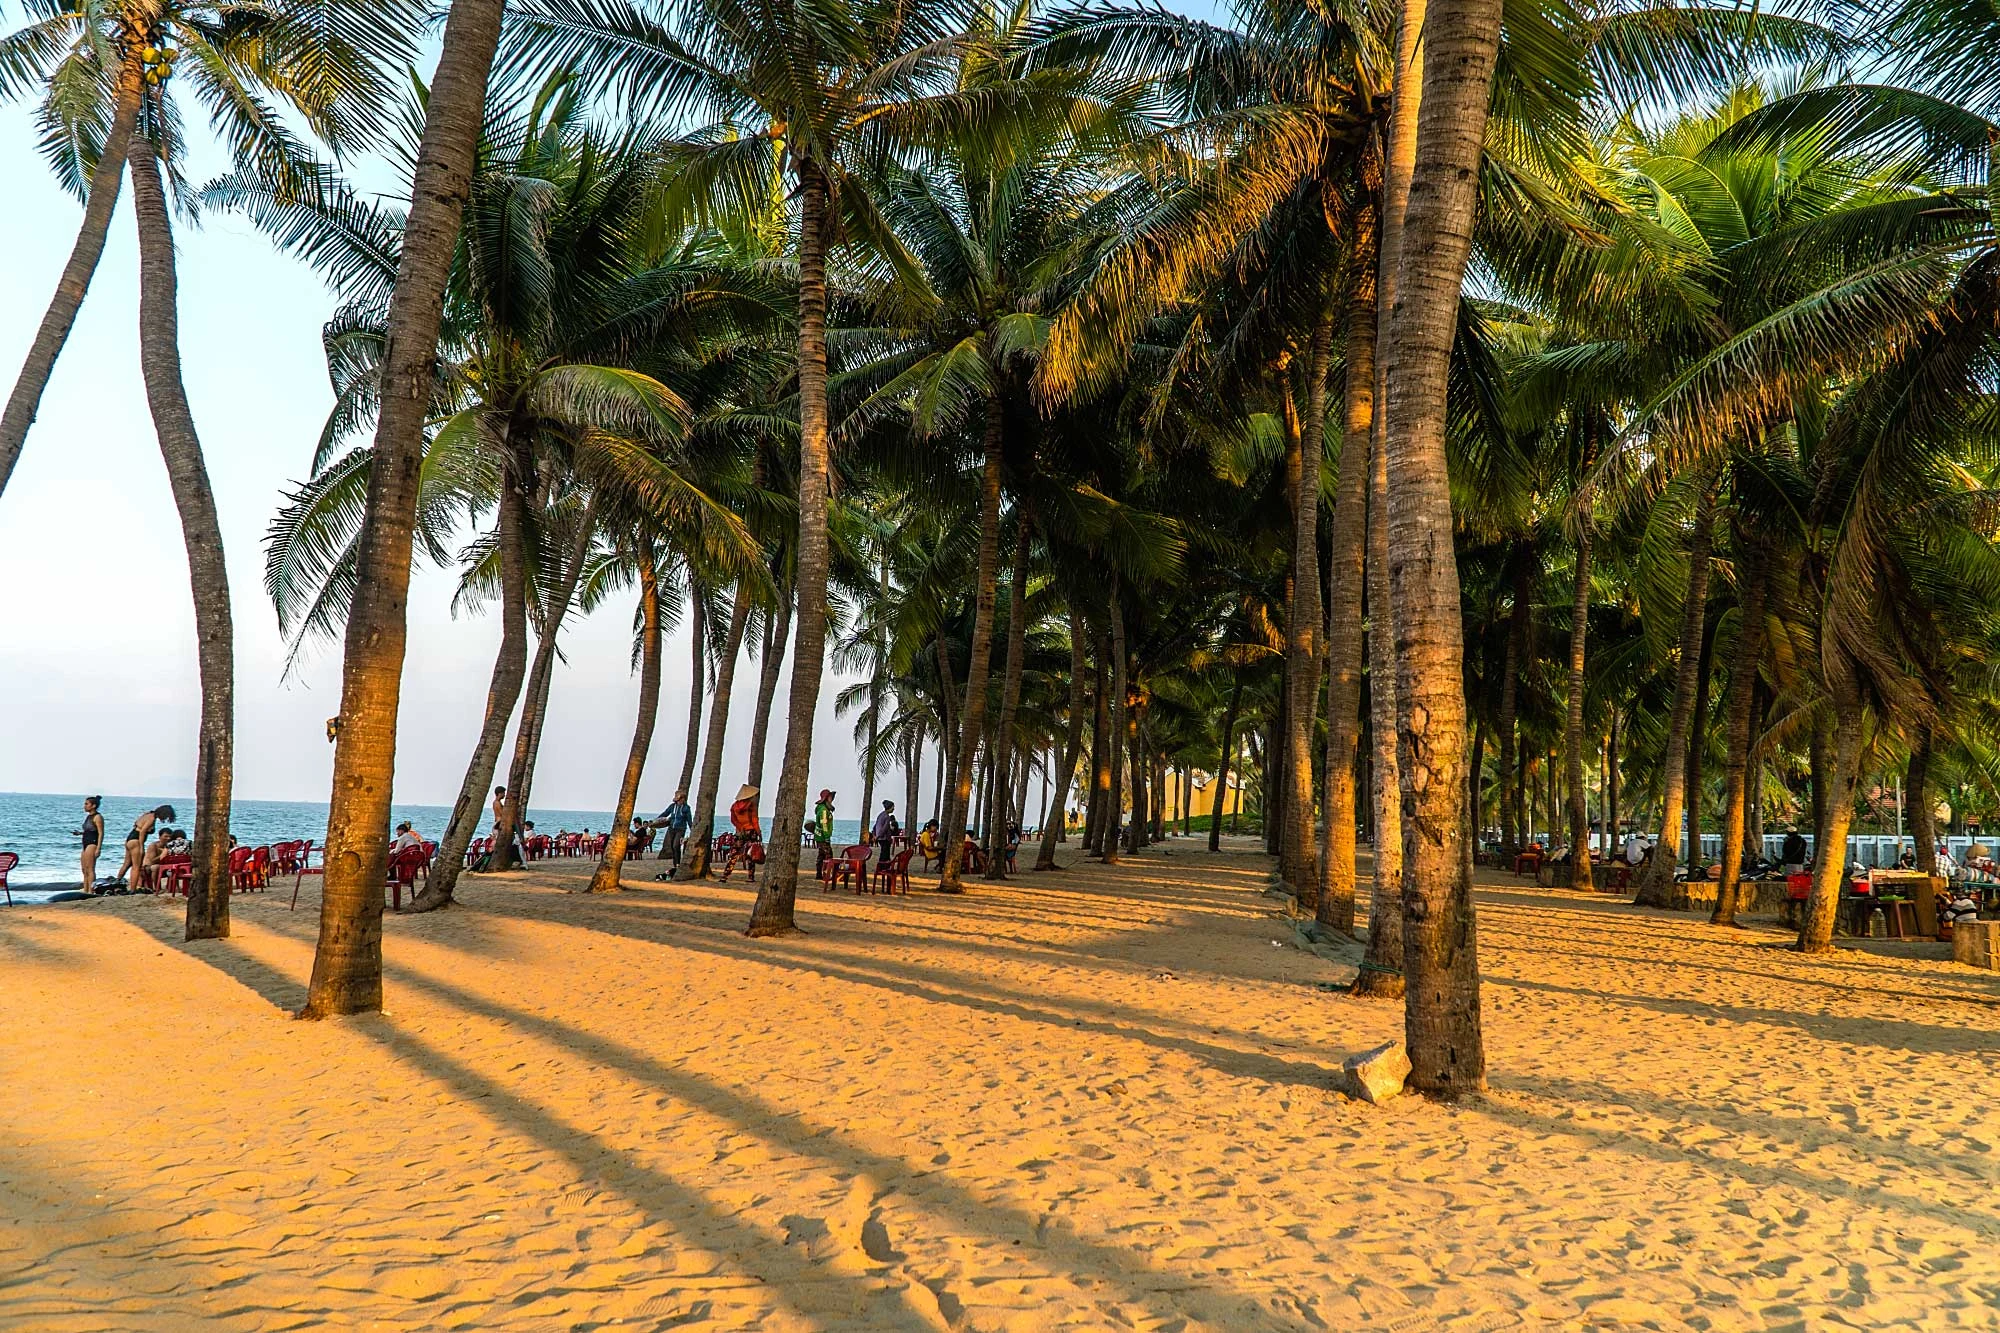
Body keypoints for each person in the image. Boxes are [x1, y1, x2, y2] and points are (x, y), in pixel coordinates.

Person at [111, 803, 176, 891]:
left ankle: (116, 884)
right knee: (136, 867)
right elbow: (142, 831)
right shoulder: (152, 819)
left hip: (130, 838)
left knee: (126, 864)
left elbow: (136, 824)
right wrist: (141, 847)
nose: (165, 819)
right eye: (166, 816)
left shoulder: (147, 814)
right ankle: (133, 889)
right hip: (136, 840)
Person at [721, 785, 762, 882]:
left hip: (740, 833)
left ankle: (725, 875)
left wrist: (740, 827)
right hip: (751, 832)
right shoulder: (751, 806)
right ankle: (750, 877)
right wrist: (759, 833)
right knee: (751, 854)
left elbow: (733, 820)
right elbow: (755, 821)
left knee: (734, 853)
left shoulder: (734, 806)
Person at [74, 795, 105, 891]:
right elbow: (90, 830)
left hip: (92, 843)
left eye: (87, 804)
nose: (84, 806)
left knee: (90, 869)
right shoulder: (88, 817)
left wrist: (98, 848)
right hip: (85, 843)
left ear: (93, 806)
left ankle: (91, 891)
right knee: (84, 869)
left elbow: (100, 833)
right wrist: (80, 833)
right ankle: (85, 889)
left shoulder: (98, 817)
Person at [654, 790, 691, 868]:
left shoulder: (686, 808)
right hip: (671, 829)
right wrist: (655, 820)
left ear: (684, 799)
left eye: (682, 799)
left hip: (681, 829)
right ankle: (675, 864)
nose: (680, 801)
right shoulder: (672, 806)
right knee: (672, 846)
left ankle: (677, 863)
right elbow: (665, 813)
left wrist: (692, 831)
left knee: (676, 845)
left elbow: (689, 820)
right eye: (679, 799)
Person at [871, 800, 900, 869]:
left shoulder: (880, 815)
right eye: (893, 807)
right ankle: (882, 867)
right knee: (884, 854)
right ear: (889, 807)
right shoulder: (887, 817)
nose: (894, 809)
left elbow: (875, 826)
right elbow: (884, 829)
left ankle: (886, 866)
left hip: (881, 838)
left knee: (885, 853)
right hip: (884, 838)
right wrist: (877, 836)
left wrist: (875, 835)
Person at [814, 790, 837, 870]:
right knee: (828, 855)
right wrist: (827, 837)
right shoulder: (824, 810)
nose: (832, 799)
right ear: (826, 798)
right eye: (830, 797)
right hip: (822, 837)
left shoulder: (824, 809)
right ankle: (828, 873)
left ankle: (819, 874)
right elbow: (824, 824)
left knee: (821, 855)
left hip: (820, 836)